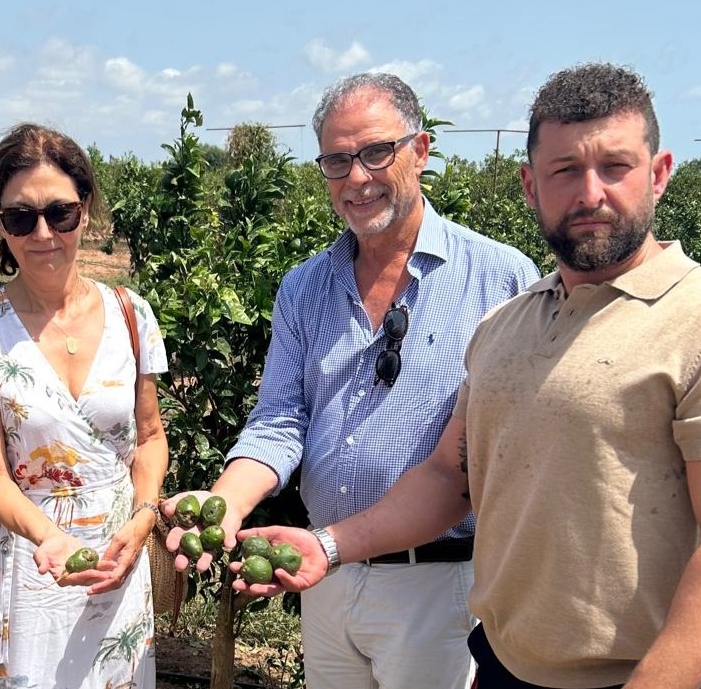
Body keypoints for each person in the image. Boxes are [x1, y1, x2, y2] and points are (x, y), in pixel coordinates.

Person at [240, 63, 701, 689]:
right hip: (502, 664)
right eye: (565, 171)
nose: (590, 193)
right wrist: (326, 546)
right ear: (530, 185)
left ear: (659, 175)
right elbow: (449, 476)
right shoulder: (507, 325)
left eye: (615, 166)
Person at [166, 72, 540, 689]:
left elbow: (504, 450)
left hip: (440, 583)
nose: (357, 178)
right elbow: (280, 420)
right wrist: (225, 501)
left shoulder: (498, 278)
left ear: (420, 151)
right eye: (337, 161)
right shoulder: (305, 287)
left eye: (375, 152)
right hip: (325, 576)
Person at [0, 122, 168, 688]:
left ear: (86, 211)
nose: (42, 233)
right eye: (20, 217)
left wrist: (144, 514)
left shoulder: (133, 316)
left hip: (116, 555)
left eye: (59, 213)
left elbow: (150, 439)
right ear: (0, 224)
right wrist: (48, 537)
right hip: (22, 562)